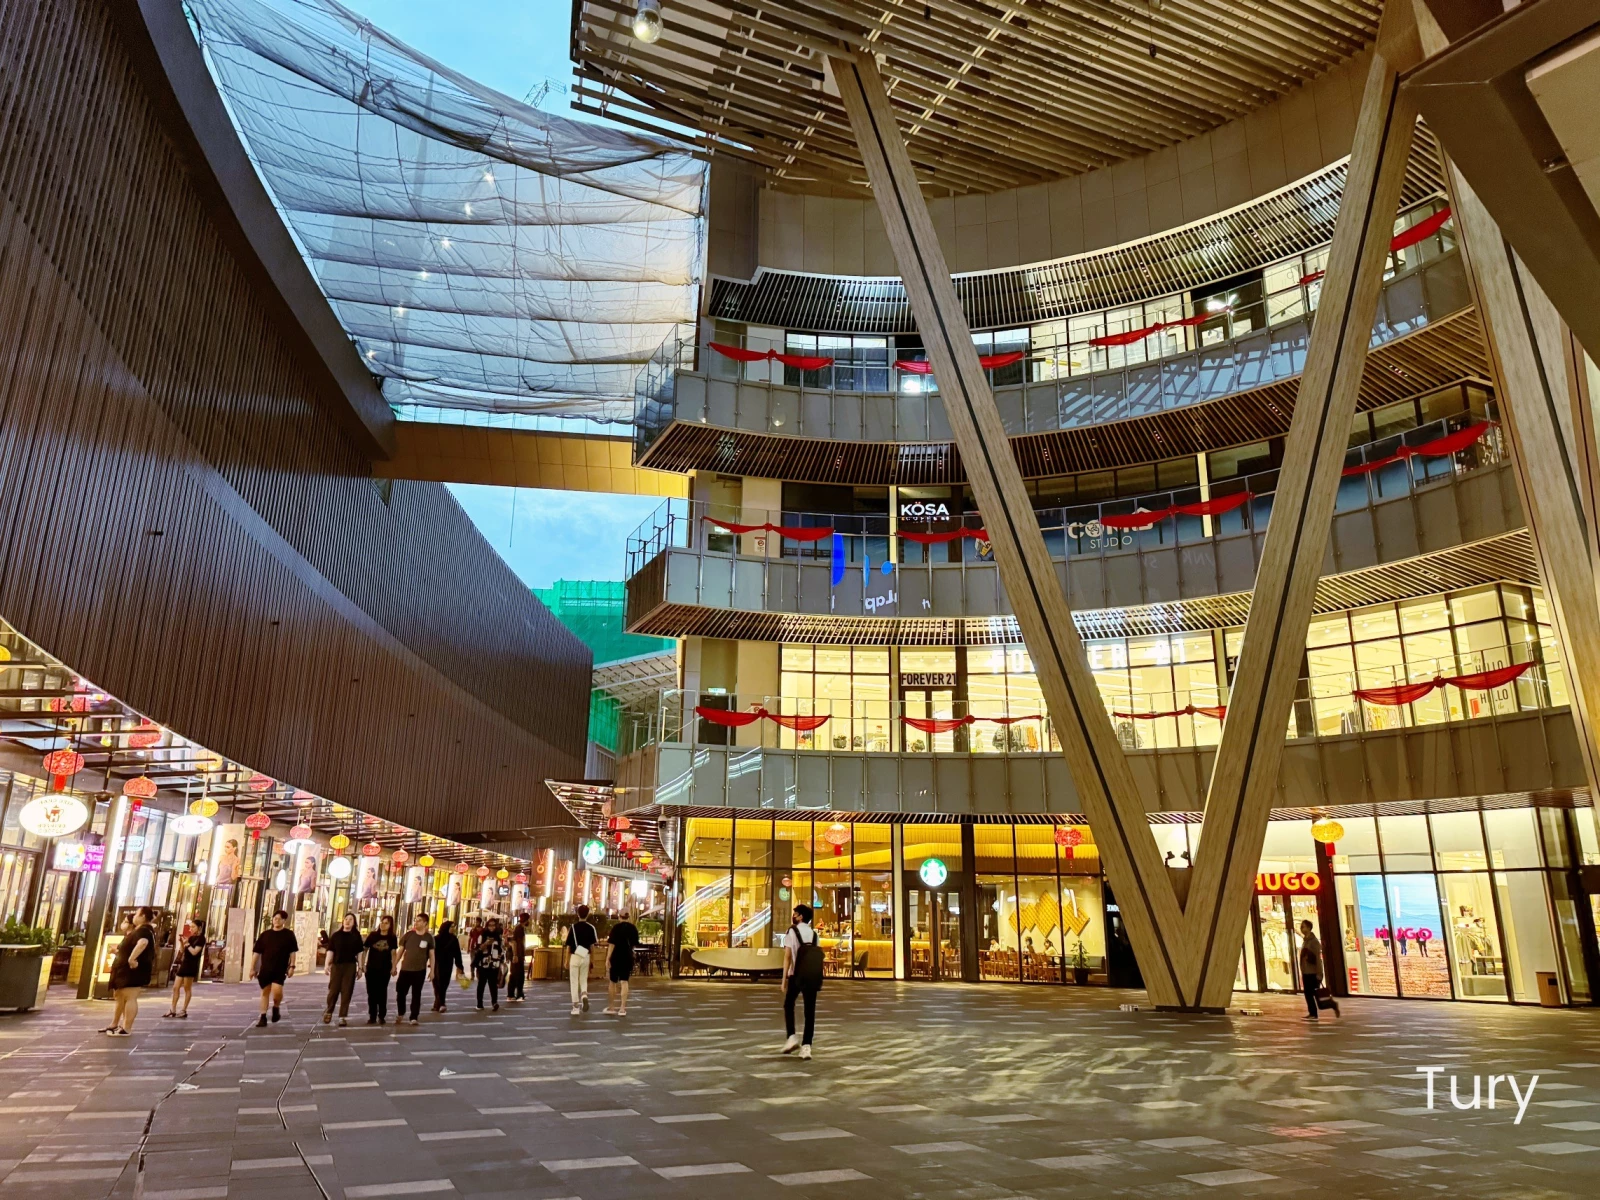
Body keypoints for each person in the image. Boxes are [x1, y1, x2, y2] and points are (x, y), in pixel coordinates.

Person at [781, 903, 823, 1060]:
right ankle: (807, 1046)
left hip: (796, 975)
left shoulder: (792, 931)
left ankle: (792, 1036)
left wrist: (784, 979)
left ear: (801, 916)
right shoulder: (815, 935)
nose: (793, 916)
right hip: (812, 976)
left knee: (789, 1004)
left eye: (795, 914)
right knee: (809, 1011)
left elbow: (787, 956)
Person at [107, 906, 157, 1036]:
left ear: (143, 916)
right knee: (124, 996)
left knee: (130, 997)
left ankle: (127, 1028)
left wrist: (132, 959)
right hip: (125, 969)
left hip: (133, 970)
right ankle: (123, 1026)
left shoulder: (144, 931)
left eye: (136, 914)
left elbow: (143, 943)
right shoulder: (139, 930)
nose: (134, 917)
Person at [251, 910, 299, 1027]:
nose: (276, 920)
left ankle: (276, 1006)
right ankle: (263, 1017)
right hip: (265, 969)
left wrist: (292, 966)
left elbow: (292, 952)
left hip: (280, 969)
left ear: (284, 920)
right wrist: (252, 968)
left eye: (279, 918)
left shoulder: (288, 935)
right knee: (265, 992)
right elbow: (256, 953)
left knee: (277, 992)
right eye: (275, 918)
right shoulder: (265, 935)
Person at [323, 912, 364, 1025]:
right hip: (337, 965)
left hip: (350, 966)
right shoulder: (336, 935)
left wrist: (360, 968)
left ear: (354, 923)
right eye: (346, 919)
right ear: (343, 921)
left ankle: (342, 1016)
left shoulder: (356, 936)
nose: (347, 921)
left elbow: (360, 953)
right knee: (333, 990)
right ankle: (329, 1011)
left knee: (347, 991)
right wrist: (326, 964)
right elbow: (330, 950)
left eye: (350, 919)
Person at [395, 913, 436, 1025]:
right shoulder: (408, 935)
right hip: (405, 969)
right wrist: (394, 965)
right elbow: (400, 951)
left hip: (420, 970)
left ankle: (414, 1017)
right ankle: (401, 1012)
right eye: (416, 920)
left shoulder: (429, 938)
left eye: (419, 920)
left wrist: (432, 971)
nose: (416, 922)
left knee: (416, 994)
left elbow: (432, 955)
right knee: (400, 992)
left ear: (425, 923)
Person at [164, 918, 206, 1019]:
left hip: (191, 964)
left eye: (193, 927)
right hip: (184, 963)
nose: (191, 929)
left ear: (199, 928)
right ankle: (172, 1009)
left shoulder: (201, 939)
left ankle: (183, 1010)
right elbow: (183, 951)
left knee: (187, 988)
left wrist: (187, 944)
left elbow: (194, 952)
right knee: (176, 987)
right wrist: (182, 943)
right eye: (190, 927)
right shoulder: (191, 938)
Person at [1299, 919, 1340, 1021]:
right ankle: (1318, 1010)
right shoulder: (1305, 941)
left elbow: (1318, 958)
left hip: (1312, 972)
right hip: (1306, 971)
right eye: (1301, 927)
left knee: (1312, 993)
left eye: (1303, 926)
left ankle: (1315, 1012)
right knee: (1310, 993)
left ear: (1309, 928)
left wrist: (1319, 973)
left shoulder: (1314, 942)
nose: (1302, 929)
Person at [362, 915, 397, 1024]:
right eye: (382, 922)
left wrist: (394, 967)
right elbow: (365, 949)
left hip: (385, 969)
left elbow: (393, 953)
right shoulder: (373, 935)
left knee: (382, 992)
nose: (383, 924)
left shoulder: (392, 937)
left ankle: (381, 1015)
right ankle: (372, 1015)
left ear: (390, 925)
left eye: (386, 923)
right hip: (371, 968)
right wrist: (362, 965)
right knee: (371, 993)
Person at [604, 910, 640, 1016]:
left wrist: (608, 958)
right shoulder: (633, 928)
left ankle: (611, 1007)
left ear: (619, 917)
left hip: (616, 957)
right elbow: (634, 944)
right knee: (624, 981)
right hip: (627, 957)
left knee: (612, 982)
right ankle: (622, 1008)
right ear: (628, 917)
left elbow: (611, 944)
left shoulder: (616, 928)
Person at [565, 905, 598, 1015]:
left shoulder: (573, 927)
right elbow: (592, 946)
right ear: (588, 914)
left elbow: (569, 946)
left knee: (574, 981)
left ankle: (575, 1007)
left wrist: (566, 960)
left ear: (577, 914)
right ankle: (584, 995)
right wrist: (592, 960)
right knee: (583, 979)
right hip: (585, 956)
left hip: (575, 956)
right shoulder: (591, 928)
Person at [472, 917, 503, 1011]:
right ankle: (479, 1004)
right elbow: (477, 949)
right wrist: (486, 943)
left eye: (493, 925)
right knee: (481, 984)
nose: (492, 927)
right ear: (487, 926)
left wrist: (501, 961)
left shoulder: (498, 936)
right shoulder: (483, 935)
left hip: (494, 964)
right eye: (490, 925)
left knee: (493, 984)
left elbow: (501, 949)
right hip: (483, 964)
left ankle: (494, 1002)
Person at [432, 920, 464, 1012]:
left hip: (448, 964)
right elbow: (431, 952)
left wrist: (460, 966)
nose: (453, 929)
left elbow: (457, 954)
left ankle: (441, 1003)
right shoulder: (436, 939)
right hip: (437, 964)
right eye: (451, 927)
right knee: (437, 984)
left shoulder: (454, 939)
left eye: (454, 927)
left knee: (444, 984)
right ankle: (439, 1003)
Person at [504, 916, 527, 1002]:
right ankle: (518, 994)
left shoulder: (518, 928)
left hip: (518, 955)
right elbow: (514, 942)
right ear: (526, 920)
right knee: (519, 975)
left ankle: (512, 994)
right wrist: (515, 955)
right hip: (517, 956)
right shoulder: (519, 929)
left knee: (514, 975)